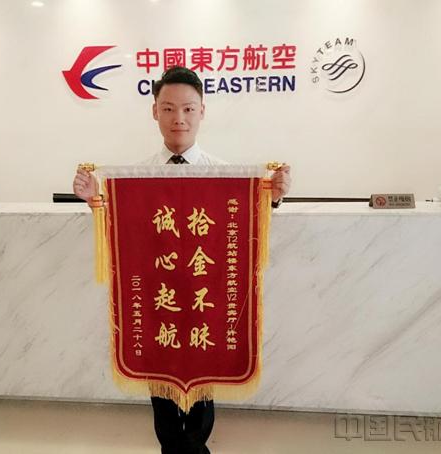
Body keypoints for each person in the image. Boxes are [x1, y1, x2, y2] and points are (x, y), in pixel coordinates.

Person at [73, 66, 291, 454]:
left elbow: (242, 229)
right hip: (159, 301)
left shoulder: (225, 176)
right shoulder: (134, 179)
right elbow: (124, 237)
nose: (179, 118)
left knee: (202, 388)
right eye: (169, 108)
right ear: (154, 112)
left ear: (202, 111)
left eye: (189, 109)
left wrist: (271, 197)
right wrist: (95, 200)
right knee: (162, 388)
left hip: (205, 299)